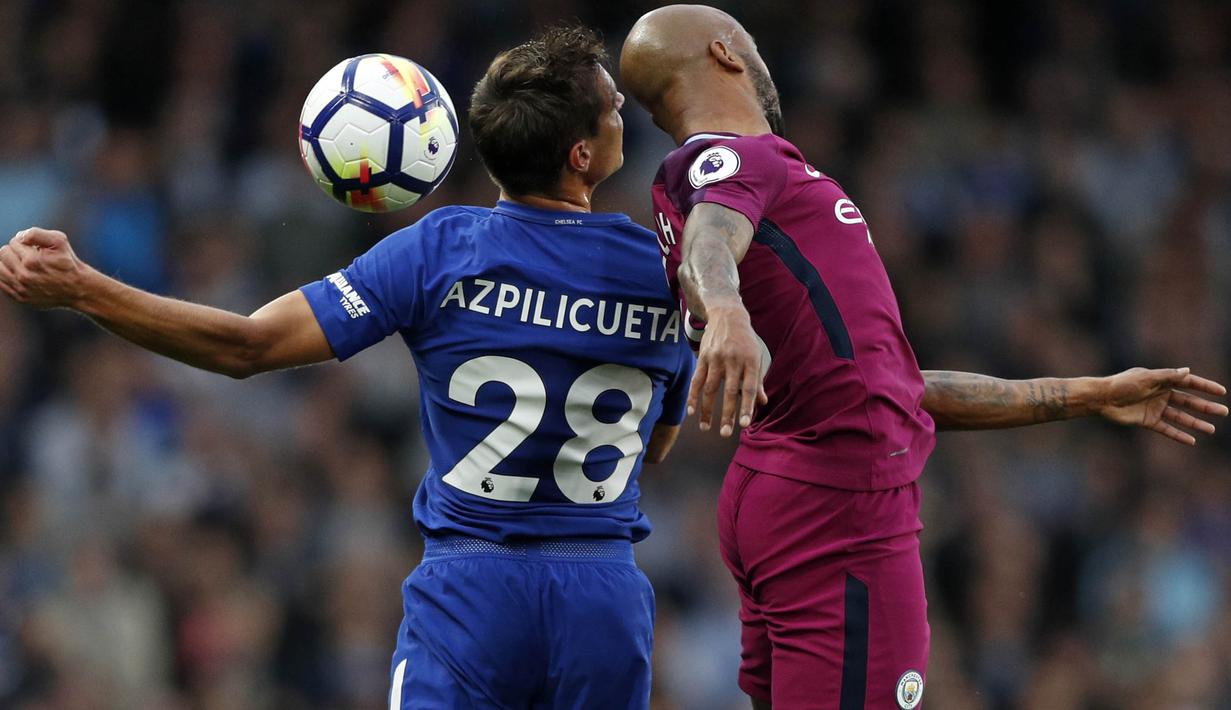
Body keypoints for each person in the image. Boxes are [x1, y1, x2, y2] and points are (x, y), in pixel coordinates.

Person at [0, 26, 693, 710]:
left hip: (473, 597)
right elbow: (656, 444)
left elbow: (247, 346)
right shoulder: (663, 272)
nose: (622, 118)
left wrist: (84, 287)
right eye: (614, 111)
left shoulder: (441, 251)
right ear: (582, 154)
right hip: (600, 599)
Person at [620, 5, 1227, 709]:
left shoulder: (734, 189)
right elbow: (711, 238)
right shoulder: (735, 164)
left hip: (791, 486)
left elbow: (893, 388)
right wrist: (723, 310)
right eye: (749, 44)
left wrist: (1086, 395)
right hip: (839, 507)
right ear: (726, 52)